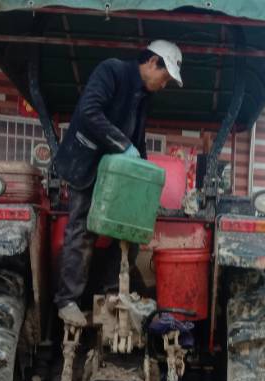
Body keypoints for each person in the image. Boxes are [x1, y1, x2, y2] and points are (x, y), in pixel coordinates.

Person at [53, 40, 183, 327]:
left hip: (116, 175)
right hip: (85, 165)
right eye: (166, 77)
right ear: (152, 62)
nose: (165, 85)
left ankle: (110, 294)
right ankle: (67, 301)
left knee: (132, 233)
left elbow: (137, 139)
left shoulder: (143, 96)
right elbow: (89, 113)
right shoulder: (112, 71)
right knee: (82, 229)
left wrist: (145, 178)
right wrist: (122, 145)